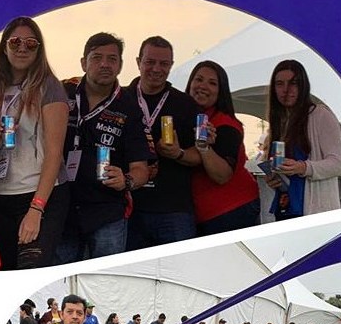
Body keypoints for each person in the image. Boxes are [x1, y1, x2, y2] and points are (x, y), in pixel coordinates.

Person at [56, 32, 152, 261]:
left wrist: (126, 180)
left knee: (105, 276)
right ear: (83, 63)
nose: (105, 64)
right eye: (97, 58)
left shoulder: (130, 106)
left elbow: (142, 168)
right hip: (61, 208)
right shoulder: (62, 92)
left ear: (120, 65)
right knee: (60, 273)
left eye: (112, 59)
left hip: (107, 212)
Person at [0, 16, 69, 269]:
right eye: (15, 42)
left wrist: (37, 209)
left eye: (31, 43)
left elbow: (54, 153)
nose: (22, 48)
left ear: (39, 49)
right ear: (4, 47)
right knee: (3, 272)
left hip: (37, 194)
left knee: (31, 269)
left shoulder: (50, 87)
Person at [126, 36, 201, 250]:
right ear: (138, 62)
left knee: (181, 266)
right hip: (129, 208)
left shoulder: (186, 104)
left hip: (173, 209)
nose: (157, 69)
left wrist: (178, 153)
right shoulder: (121, 99)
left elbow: (201, 155)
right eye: (150, 62)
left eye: (164, 63)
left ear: (171, 65)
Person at [184, 61, 260, 235]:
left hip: (231, 209)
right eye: (199, 79)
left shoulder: (226, 125)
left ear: (221, 91)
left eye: (212, 83)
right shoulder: (187, 117)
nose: (203, 86)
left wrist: (203, 147)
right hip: (201, 212)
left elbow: (222, 176)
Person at [262, 60, 341, 220]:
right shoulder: (281, 122)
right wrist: (274, 179)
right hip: (285, 208)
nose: (286, 90)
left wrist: (303, 167)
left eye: (293, 83)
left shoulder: (320, 115)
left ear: (303, 86)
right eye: (279, 84)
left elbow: (338, 163)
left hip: (315, 211)